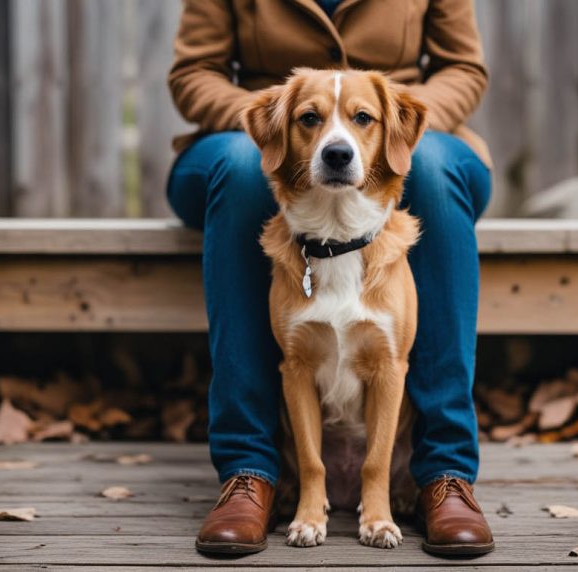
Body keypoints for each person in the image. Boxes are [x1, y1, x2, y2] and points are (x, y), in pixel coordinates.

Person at [166, 0, 494, 557]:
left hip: (405, 123)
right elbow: (193, 73)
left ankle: (443, 471)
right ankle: (251, 470)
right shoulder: (283, 123)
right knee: (248, 167)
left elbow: (464, 68)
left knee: (432, 170)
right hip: (261, 128)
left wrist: (390, 120)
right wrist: (279, 123)